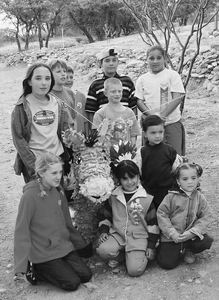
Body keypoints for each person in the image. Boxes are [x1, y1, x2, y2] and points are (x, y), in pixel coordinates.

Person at [14, 153, 92, 291]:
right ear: (42, 173)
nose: (59, 177)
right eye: (54, 173)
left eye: (60, 172)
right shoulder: (29, 197)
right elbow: (22, 231)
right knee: (72, 283)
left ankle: (59, 267)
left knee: (86, 275)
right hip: (43, 252)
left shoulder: (58, 190)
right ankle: (37, 270)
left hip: (62, 246)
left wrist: (81, 245)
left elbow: (67, 222)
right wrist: (20, 266)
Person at [96, 160, 159, 277]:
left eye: (133, 177)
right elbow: (106, 216)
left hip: (138, 238)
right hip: (118, 235)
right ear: (119, 180)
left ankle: (134, 257)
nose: (130, 182)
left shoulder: (147, 198)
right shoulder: (113, 196)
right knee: (102, 249)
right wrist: (104, 231)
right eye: (125, 179)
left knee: (135, 270)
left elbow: (153, 224)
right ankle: (122, 256)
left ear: (138, 176)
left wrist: (151, 245)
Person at [11, 62, 71, 183]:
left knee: (58, 197)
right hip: (37, 163)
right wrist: (34, 166)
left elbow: (65, 131)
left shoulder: (58, 104)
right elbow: (18, 139)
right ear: (29, 81)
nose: (43, 83)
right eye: (38, 78)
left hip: (57, 160)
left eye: (47, 78)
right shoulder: (22, 107)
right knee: (39, 198)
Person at [156, 162, 213, 269]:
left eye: (193, 178)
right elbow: (162, 214)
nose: (190, 182)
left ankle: (188, 250)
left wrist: (192, 232)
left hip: (190, 236)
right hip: (173, 237)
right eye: (185, 179)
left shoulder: (199, 197)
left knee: (207, 241)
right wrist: (172, 233)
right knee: (167, 263)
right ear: (178, 181)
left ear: (198, 179)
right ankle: (174, 249)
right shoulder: (171, 197)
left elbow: (206, 216)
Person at [135, 45, 186, 155]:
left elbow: (178, 97)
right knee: (152, 157)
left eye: (159, 58)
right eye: (151, 58)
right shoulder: (142, 79)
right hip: (151, 126)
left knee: (174, 156)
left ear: (165, 58)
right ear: (146, 60)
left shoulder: (172, 75)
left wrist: (163, 115)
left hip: (171, 123)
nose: (155, 61)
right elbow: (139, 101)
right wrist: (152, 117)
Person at [136, 115, 182, 209]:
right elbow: (138, 173)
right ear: (145, 134)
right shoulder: (141, 153)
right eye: (153, 133)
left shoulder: (170, 150)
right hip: (148, 194)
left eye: (160, 132)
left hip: (168, 193)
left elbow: (176, 170)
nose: (157, 136)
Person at [85, 48, 137, 130]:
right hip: (105, 132)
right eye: (107, 61)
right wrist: (96, 133)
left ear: (118, 62)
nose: (111, 63)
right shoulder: (95, 85)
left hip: (125, 130)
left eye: (114, 60)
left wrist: (132, 128)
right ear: (100, 64)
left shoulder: (127, 82)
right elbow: (90, 112)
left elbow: (133, 107)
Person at [92, 78, 140, 146]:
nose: (117, 94)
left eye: (119, 91)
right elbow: (97, 138)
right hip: (107, 153)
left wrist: (131, 148)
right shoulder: (100, 114)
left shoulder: (129, 112)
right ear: (105, 93)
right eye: (113, 92)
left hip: (125, 154)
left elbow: (133, 135)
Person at [48, 59, 76, 127]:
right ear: (50, 74)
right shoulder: (47, 95)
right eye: (58, 71)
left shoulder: (70, 92)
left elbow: (74, 116)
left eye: (64, 71)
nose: (63, 74)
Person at [64, 65, 88, 134]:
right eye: (66, 78)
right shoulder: (57, 98)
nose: (69, 80)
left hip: (80, 135)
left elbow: (85, 120)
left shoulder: (81, 96)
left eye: (71, 77)